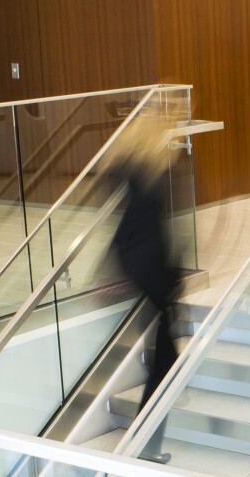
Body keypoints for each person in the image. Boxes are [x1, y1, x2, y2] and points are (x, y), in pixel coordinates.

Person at [110, 115, 178, 464]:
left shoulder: (130, 171)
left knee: (164, 360)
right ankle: (144, 446)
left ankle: (144, 444)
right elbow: (149, 229)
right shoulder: (151, 173)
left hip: (142, 270)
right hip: (153, 273)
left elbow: (126, 225)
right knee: (166, 363)